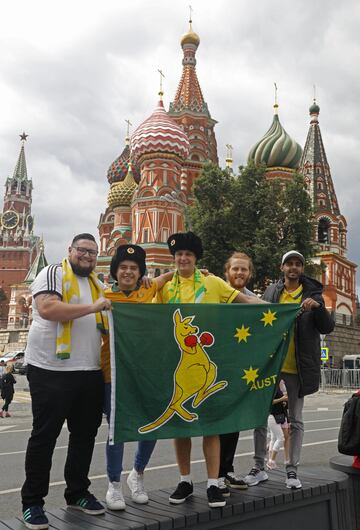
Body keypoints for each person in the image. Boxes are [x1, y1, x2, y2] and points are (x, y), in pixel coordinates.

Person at [155, 232, 265, 509]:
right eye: (179, 254)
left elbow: (246, 302)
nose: (183, 258)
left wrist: (284, 307)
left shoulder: (213, 283)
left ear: (195, 258)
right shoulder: (166, 289)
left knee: (212, 426)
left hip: (210, 363)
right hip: (175, 364)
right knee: (181, 427)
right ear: (174, 258)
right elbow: (149, 318)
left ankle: (214, 483)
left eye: (188, 254)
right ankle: (185, 480)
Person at [21, 233, 112, 530]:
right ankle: (33, 502)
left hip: (88, 370)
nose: (87, 256)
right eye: (82, 251)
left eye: (93, 252)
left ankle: (77, 493)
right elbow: (48, 309)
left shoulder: (98, 284)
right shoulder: (53, 273)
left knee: (85, 435)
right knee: (44, 436)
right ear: (70, 250)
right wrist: (94, 307)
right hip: (50, 370)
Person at [244, 250, 335, 489]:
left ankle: (292, 470)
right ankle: (258, 467)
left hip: (297, 368)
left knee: (295, 420)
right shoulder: (272, 292)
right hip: (271, 364)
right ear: (282, 267)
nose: (293, 267)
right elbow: (259, 319)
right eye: (289, 264)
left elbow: (328, 327)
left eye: (298, 264)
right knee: (260, 417)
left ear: (301, 269)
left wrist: (318, 308)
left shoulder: (313, 294)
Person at [101, 244, 174, 510]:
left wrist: (196, 272)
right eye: (123, 268)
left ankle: (137, 474)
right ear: (115, 271)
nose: (128, 272)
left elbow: (166, 277)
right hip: (114, 373)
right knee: (116, 429)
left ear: (140, 272)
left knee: (151, 424)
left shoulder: (147, 288)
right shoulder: (104, 296)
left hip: (146, 371)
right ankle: (113, 485)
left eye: (134, 268)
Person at [218, 252, 257, 496]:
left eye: (244, 269)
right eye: (235, 269)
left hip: (239, 368)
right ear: (227, 272)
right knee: (215, 423)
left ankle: (226, 470)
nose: (240, 273)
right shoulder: (215, 292)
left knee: (233, 421)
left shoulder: (254, 300)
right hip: (215, 365)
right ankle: (215, 475)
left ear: (249, 274)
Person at [266, 381, 288, 469]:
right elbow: (269, 402)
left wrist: (283, 402)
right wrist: (282, 399)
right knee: (281, 438)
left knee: (273, 438)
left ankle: (270, 461)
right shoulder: (273, 387)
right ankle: (271, 461)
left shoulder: (278, 386)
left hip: (276, 415)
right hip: (273, 416)